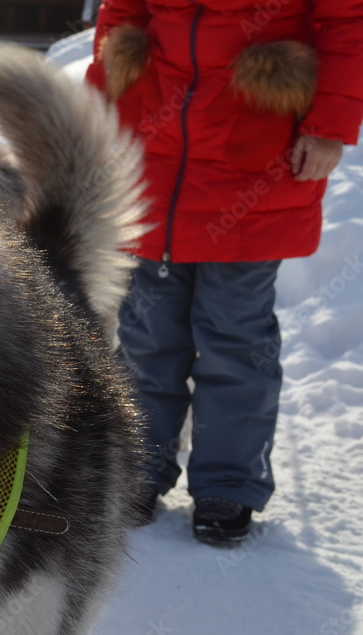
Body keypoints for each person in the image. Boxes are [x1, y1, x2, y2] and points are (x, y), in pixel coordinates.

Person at [85, 0, 363, 546]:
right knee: (147, 336)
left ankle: (228, 484)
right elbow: (122, 13)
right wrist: (101, 110)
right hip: (154, 151)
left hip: (260, 155)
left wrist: (329, 126)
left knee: (234, 338)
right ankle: (138, 469)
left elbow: (349, 21)